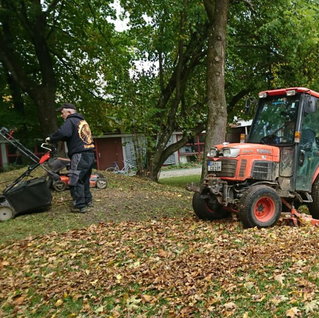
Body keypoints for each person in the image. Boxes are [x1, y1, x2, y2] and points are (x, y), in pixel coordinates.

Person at [46, 103, 95, 213]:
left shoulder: (70, 120)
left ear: (69, 112)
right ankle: (88, 200)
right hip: (90, 153)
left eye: (62, 113)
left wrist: (51, 138)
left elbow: (64, 133)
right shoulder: (82, 122)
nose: (62, 115)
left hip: (80, 154)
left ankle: (79, 205)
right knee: (84, 178)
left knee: (75, 178)